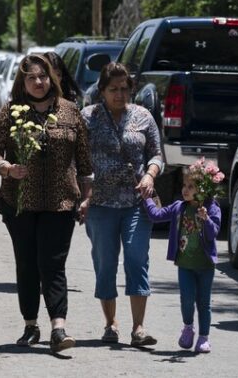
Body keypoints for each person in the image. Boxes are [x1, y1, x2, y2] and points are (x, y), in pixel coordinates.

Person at [0, 54, 93, 353]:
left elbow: (84, 161)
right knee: (28, 264)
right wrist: (6, 167)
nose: (38, 82)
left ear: (52, 79)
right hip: (19, 201)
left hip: (60, 201)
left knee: (53, 264)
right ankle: (31, 325)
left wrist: (87, 196)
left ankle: (58, 328)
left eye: (43, 77)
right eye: (31, 77)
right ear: (23, 81)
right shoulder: (10, 112)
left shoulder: (71, 112)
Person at [80, 62, 163, 347]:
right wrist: (83, 191)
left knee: (137, 259)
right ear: (101, 90)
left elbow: (156, 154)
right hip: (100, 202)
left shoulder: (143, 116)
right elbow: (77, 160)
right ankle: (110, 323)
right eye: (113, 89)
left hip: (136, 202)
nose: (119, 94)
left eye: (124, 89)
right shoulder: (88, 118)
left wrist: (151, 175)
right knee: (104, 264)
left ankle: (139, 327)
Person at [143, 166, 222, 353]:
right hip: (185, 265)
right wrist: (147, 198)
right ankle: (188, 327)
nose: (185, 189)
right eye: (184, 185)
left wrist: (206, 220)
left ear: (203, 190)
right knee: (186, 300)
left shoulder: (212, 208)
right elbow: (157, 215)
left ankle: (204, 337)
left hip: (205, 266)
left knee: (204, 303)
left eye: (191, 186)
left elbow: (213, 234)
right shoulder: (179, 207)